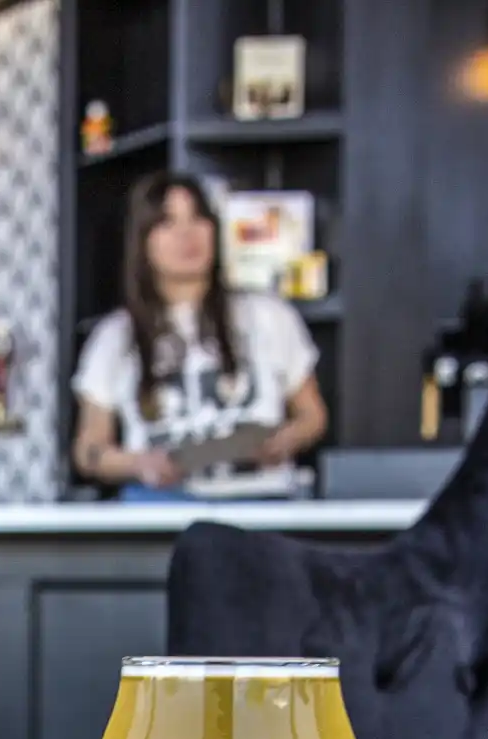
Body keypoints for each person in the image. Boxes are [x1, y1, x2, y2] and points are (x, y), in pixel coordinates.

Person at [70, 171, 328, 501]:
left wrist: (285, 441)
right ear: (142, 240)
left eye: (197, 218)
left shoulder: (268, 314)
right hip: (161, 506)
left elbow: (312, 416)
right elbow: (89, 449)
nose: (187, 235)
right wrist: (139, 464)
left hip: (262, 500)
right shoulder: (114, 337)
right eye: (168, 223)